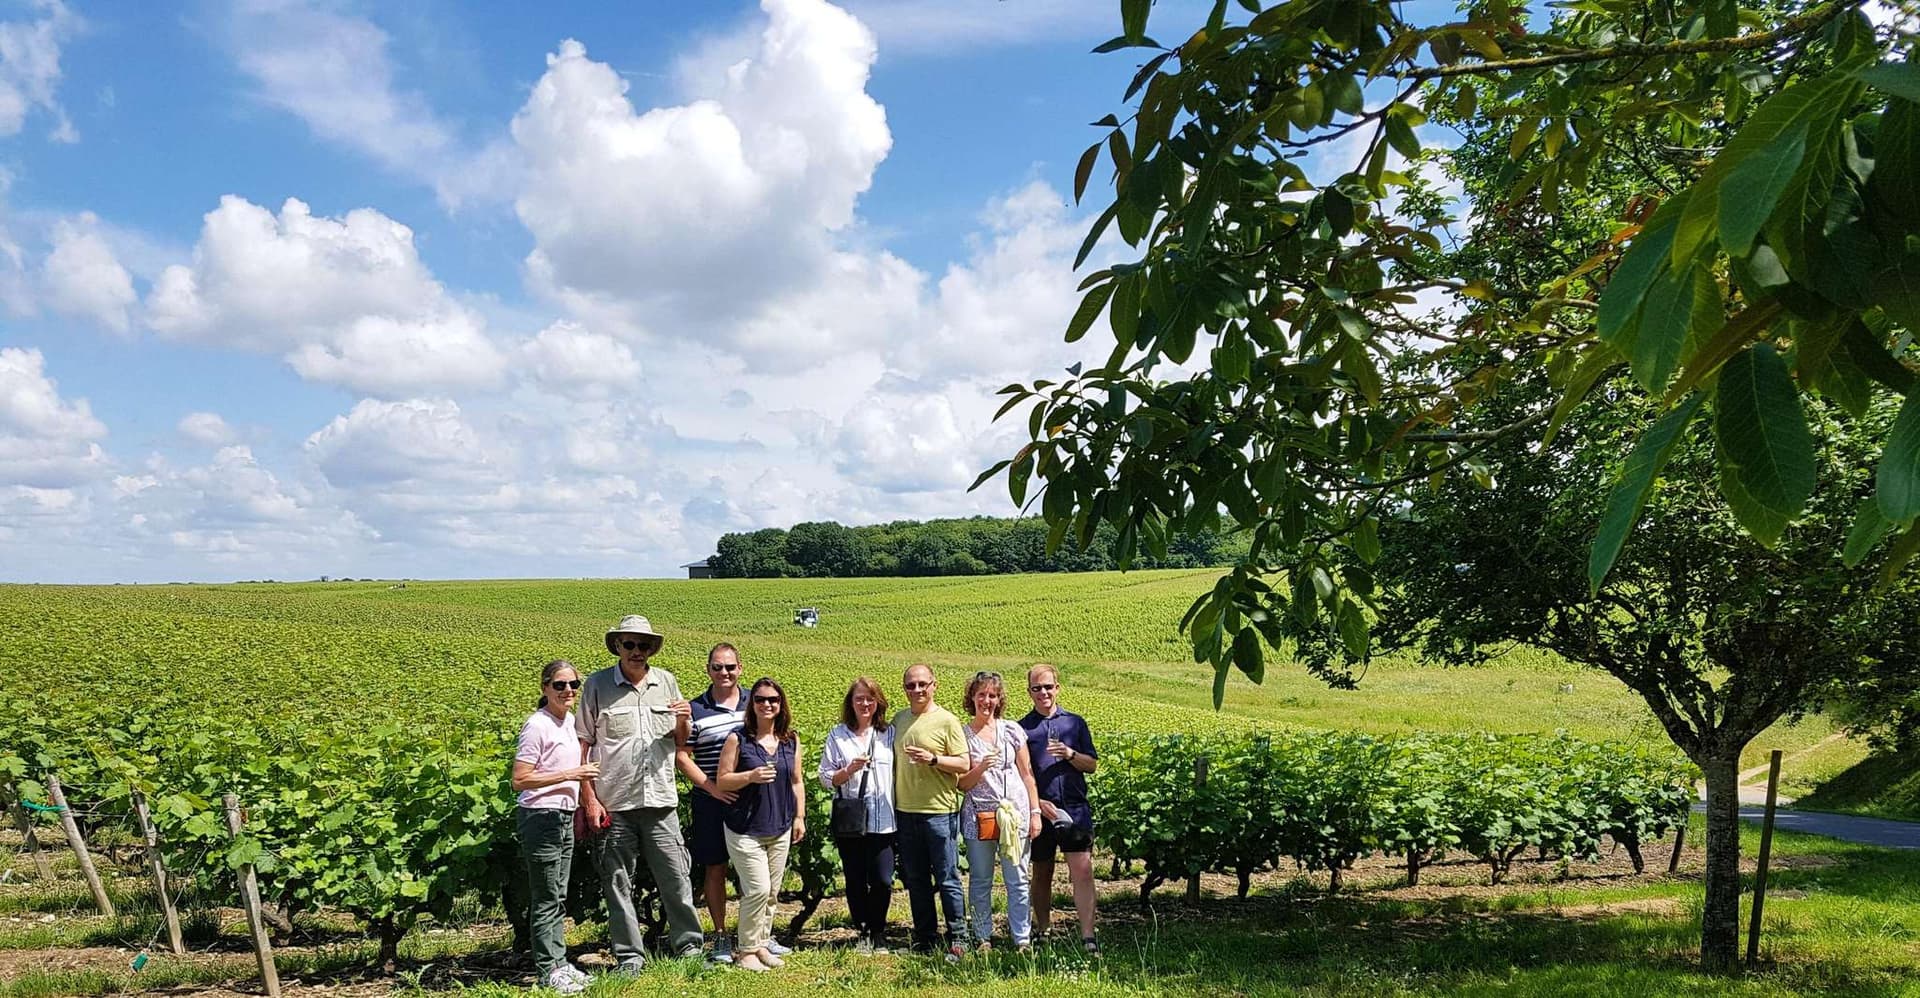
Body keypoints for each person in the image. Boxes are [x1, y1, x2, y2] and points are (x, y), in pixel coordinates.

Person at [575, 615, 705, 972]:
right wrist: (589, 798)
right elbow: (582, 744)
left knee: (676, 877)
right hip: (613, 802)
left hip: (660, 800)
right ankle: (630, 957)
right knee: (617, 883)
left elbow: (681, 741)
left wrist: (683, 718)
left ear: (651, 649)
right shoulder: (597, 685)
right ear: (617, 646)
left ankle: (690, 947)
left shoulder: (667, 682)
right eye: (629, 644)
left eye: (643, 645)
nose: (636, 651)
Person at [511, 660, 600, 994]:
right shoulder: (538, 725)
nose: (568, 691)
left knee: (557, 893)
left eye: (574, 685)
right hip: (541, 817)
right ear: (544, 687)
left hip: (561, 816)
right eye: (560, 685)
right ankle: (549, 969)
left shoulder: (567, 723)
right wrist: (570, 776)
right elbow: (520, 779)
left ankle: (559, 964)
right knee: (547, 895)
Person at [714, 678, 806, 973]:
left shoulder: (790, 739)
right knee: (757, 889)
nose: (767, 705)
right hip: (745, 827)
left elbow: (796, 781)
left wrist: (799, 817)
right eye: (761, 699)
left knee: (772, 891)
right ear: (751, 704)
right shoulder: (738, 739)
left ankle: (762, 943)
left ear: (781, 705)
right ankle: (746, 951)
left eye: (773, 700)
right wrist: (749, 777)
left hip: (779, 825)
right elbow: (723, 780)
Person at [890, 664, 970, 959]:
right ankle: (925, 937)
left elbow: (964, 764)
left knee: (947, 876)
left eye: (923, 684)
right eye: (911, 685)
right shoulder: (898, 720)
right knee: (916, 878)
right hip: (905, 811)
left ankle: (958, 936)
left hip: (939, 811)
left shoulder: (947, 721)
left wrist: (934, 759)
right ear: (905, 689)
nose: (917, 690)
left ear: (934, 685)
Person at [957, 671, 1041, 952]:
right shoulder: (963, 735)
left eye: (992, 695)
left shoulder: (1013, 730)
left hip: (1014, 816)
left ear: (999, 699)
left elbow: (1027, 774)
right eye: (981, 695)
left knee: (1017, 878)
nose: (987, 701)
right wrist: (980, 767)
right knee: (981, 879)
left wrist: (1035, 811)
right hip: (978, 817)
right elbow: (961, 784)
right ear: (972, 698)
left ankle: (1022, 939)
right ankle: (983, 937)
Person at [1018, 663, 1100, 953]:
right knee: (1042, 872)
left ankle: (1088, 936)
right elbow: (1021, 774)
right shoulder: (1022, 729)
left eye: (1048, 687)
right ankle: (1043, 930)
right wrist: (1036, 804)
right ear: (1029, 692)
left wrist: (1069, 753)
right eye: (1037, 688)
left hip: (1075, 809)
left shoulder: (1074, 724)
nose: (1043, 693)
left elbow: (1091, 764)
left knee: (1082, 871)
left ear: (1058, 688)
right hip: (1041, 811)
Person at [675, 643, 747, 964]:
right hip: (710, 801)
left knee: (752, 869)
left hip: (750, 801)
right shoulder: (695, 709)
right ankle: (720, 935)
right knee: (715, 867)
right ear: (708, 670)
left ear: (740, 668)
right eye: (718, 667)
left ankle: (753, 935)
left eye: (730, 666)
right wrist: (713, 788)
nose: (724, 673)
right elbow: (682, 756)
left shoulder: (756, 702)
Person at [818, 676, 897, 954]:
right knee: (854, 878)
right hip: (851, 821)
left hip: (885, 819)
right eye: (859, 698)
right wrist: (849, 770)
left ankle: (879, 930)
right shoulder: (837, 735)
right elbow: (825, 778)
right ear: (850, 703)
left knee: (883, 879)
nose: (865, 703)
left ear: (878, 703)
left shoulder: (890, 734)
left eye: (870, 698)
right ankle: (863, 930)